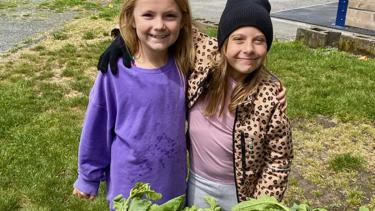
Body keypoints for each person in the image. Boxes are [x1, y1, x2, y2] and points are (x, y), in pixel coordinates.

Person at [72, 0, 194, 209]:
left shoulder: (186, 64)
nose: (159, 25)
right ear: (131, 19)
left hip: (172, 186)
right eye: (148, 15)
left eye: (170, 16)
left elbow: (229, 42)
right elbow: (97, 125)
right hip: (127, 188)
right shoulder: (115, 72)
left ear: (183, 20)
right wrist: (88, 176)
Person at [186, 0, 293, 210]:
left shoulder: (270, 95)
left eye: (259, 40)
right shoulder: (203, 59)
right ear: (223, 42)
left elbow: (279, 159)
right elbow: (167, 24)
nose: (249, 49)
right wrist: (123, 41)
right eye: (239, 39)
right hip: (197, 183)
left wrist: (260, 204)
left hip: (240, 195)